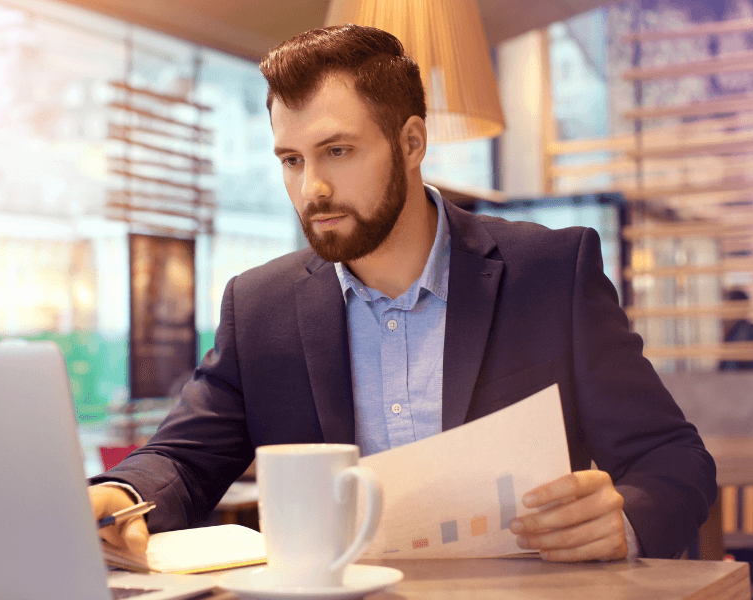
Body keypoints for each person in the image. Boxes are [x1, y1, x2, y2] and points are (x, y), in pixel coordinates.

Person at [89, 24, 716, 563]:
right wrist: (115, 499)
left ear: (412, 143)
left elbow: (674, 460)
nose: (313, 189)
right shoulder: (260, 308)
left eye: (337, 151)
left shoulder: (551, 271)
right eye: (291, 160)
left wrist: (625, 520)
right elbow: (179, 459)